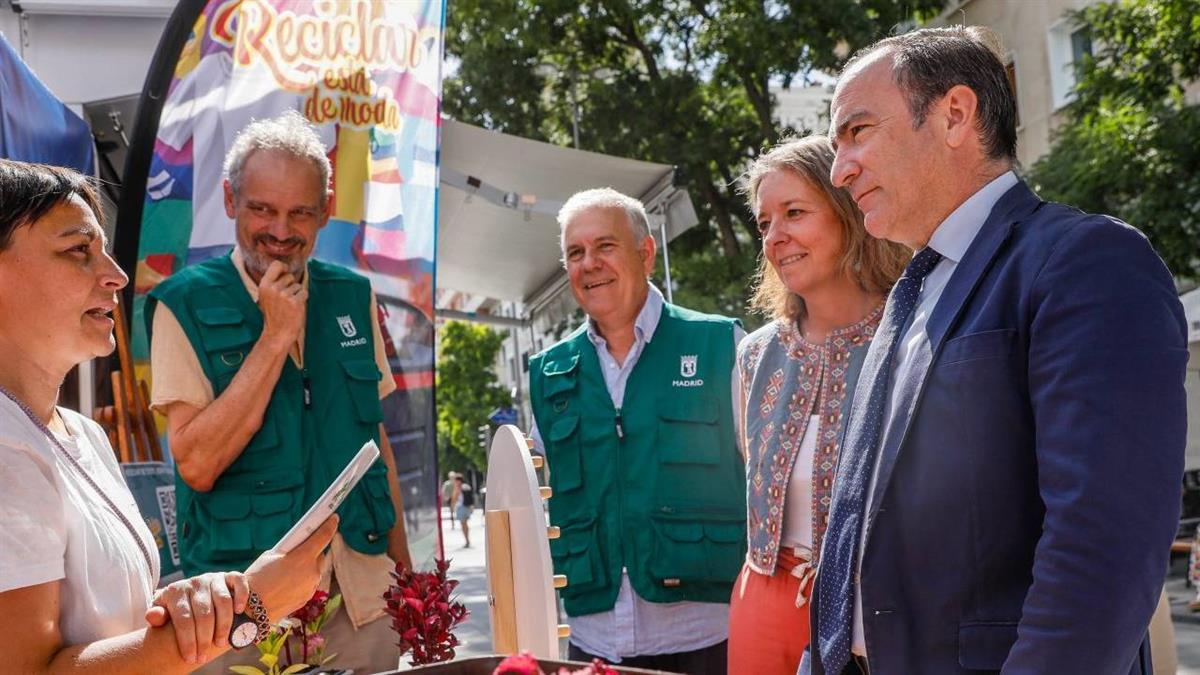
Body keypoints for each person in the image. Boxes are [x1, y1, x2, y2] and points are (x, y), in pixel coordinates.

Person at [804, 26, 1188, 674]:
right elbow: (855, 525)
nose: (839, 170)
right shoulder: (907, 298)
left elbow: (1102, 554)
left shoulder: (1086, 262)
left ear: (955, 114)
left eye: (857, 132)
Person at [0, 158, 337, 673]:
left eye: (104, 251)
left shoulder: (84, 435)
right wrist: (251, 608)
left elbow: (107, 620)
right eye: (78, 251)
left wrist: (194, 603)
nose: (114, 276)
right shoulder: (5, 448)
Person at [145, 111, 412, 674]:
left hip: (364, 596)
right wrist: (274, 338)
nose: (281, 230)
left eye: (300, 213)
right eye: (262, 209)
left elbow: (376, 445)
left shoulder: (353, 296)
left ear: (326, 211)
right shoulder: (181, 304)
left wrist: (406, 582)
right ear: (229, 200)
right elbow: (195, 463)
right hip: (244, 606)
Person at [528, 188, 745, 674]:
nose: (589, 264)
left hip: (709, 635)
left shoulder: (719, 344)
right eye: (575, 253)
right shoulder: (548, 372)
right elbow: (534, 499)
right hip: (594, 640)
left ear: (646, 254)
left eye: (605, 246)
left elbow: (768, 481)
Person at [727, 136, 906, 675]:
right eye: (763, 223)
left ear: (849, 212)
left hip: (869, 607)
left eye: (795, 213)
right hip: (761, 599)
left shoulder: (909, 339)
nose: (775, 237)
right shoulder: (754, 355)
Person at [453, 474, 474, 548]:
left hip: (461, 507)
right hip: (467, 507)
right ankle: (467, 539)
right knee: (465, 524)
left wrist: (453, 506)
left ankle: (467, 540)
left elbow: (455, 498)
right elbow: (471, 497)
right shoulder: (467, 486)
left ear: (458, 481)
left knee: (463, 524)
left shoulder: (458, 488)